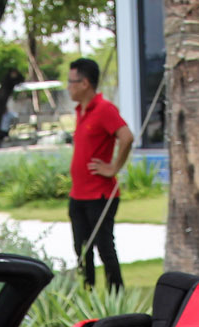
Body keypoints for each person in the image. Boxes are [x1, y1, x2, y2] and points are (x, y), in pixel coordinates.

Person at [66, 58, 133, 291]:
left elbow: (126, 137)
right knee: (82, 251)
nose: (68, 87)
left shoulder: (104, 109)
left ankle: (117, 297)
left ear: (84, 83)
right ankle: (89, 296)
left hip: (100, 195)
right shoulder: (80, 111)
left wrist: (113, 167)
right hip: (78, 196)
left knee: (104, 248)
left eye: (71, 82)